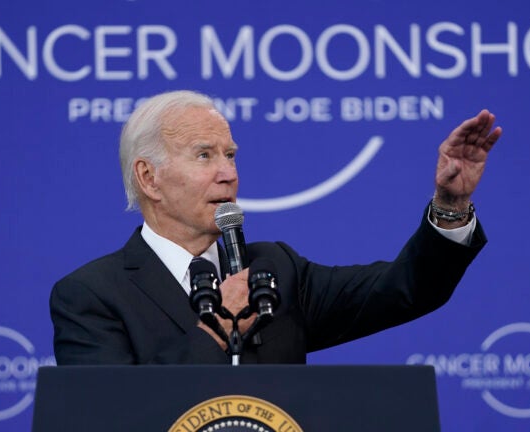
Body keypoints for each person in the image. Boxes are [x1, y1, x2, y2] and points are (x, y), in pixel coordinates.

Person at [50, 90, 502, 365]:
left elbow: (406, 289)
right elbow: (110, 414)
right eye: (205, 155)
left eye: (231, 155)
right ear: (149, 178)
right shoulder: (91, 296)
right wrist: (219, 327)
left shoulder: (275, 269)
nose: (228, 174)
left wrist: (451, 204)